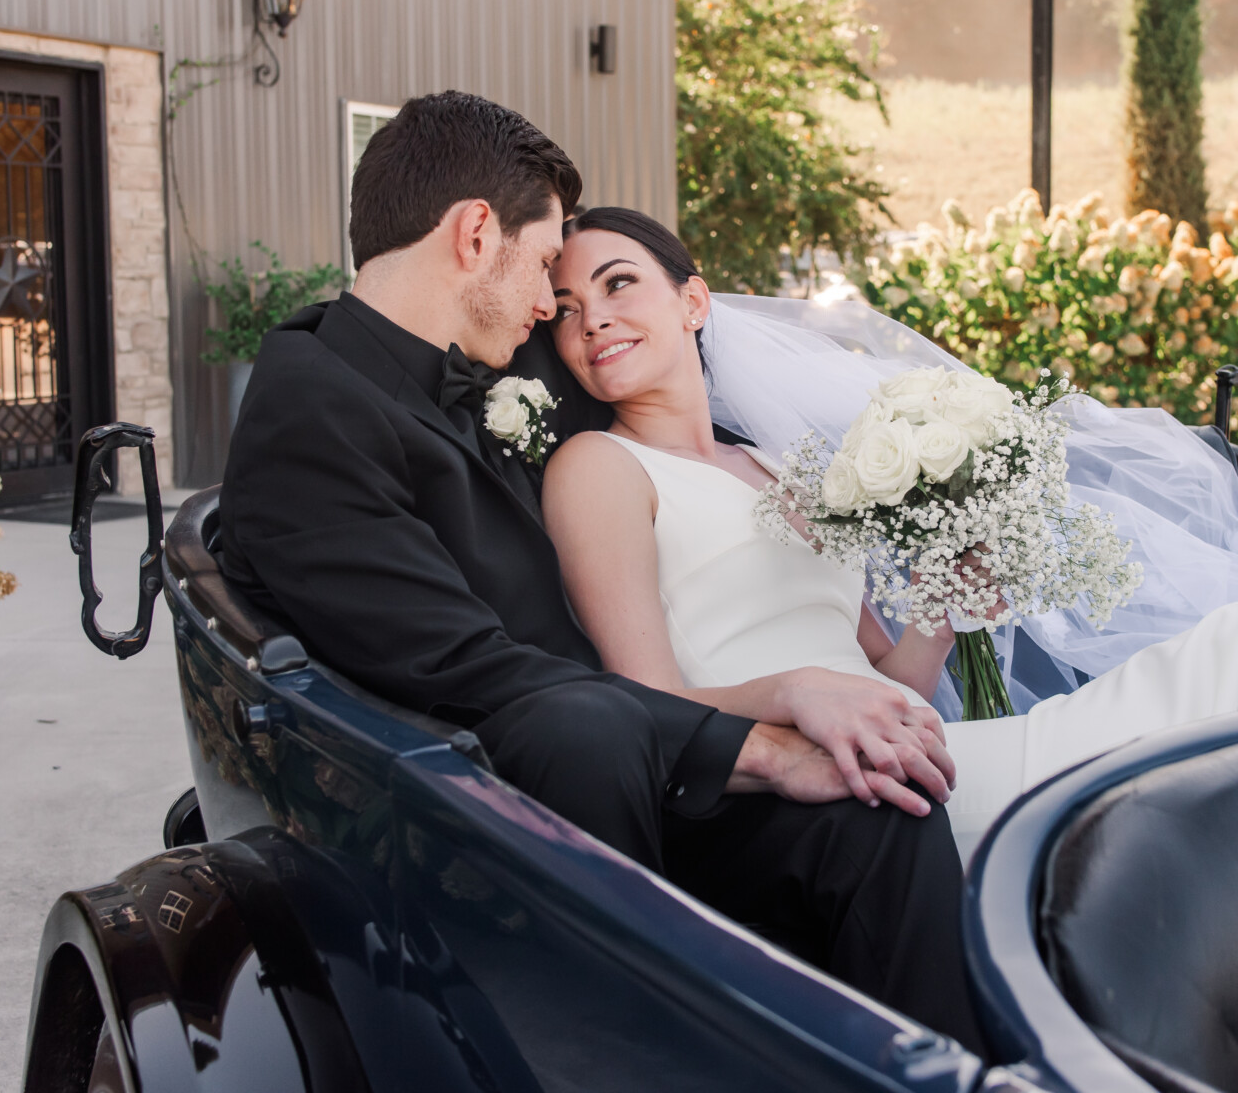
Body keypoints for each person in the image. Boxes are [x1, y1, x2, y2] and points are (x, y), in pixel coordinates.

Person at [217, 92, 985, 1051]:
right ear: (473, 234)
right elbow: (466, 670)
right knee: (593, 724)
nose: (553, 306)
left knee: (884, 810)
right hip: (503, 807)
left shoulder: (483, 356)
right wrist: (771, 734)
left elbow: (643, 352)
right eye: (546, 266)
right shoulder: (313, 411)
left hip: (628, 762)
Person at [541, 207, 1238, 859]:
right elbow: (644, 697)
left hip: (916, 736)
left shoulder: (786, 474)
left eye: (618, 285)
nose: (596, 319)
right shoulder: (599, 468)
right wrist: (797, 690)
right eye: (571, 309)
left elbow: (888, 678)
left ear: (693, 302)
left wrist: (944, 611)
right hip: (843, 779)